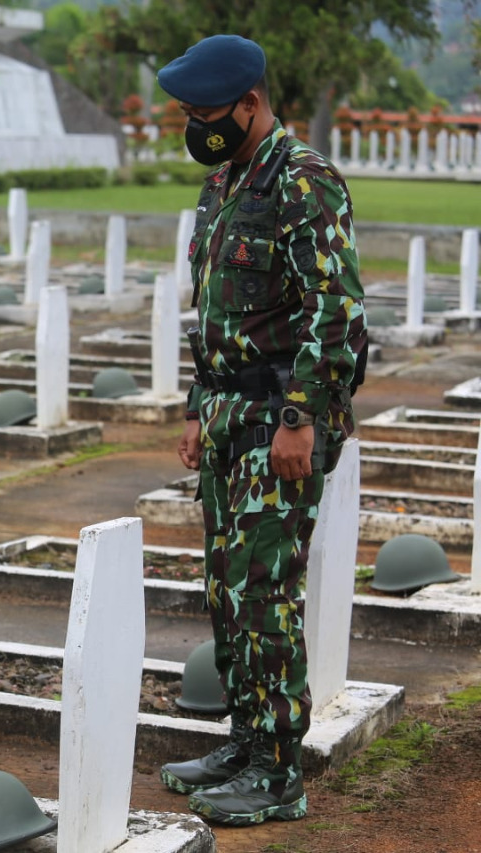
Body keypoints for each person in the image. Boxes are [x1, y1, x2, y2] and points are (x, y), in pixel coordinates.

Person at [156, 35, 366, 826]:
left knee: (265, 592)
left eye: (206, 112)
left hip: (280, 420)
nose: (195, 124)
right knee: (226, 587)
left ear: (251, 101)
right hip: (225, 415)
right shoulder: (225, 179)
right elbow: (216, 307)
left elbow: (335, 314)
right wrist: (195, 405)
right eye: (187, 113)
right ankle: (246, 739)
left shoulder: (303, 181)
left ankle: (279, 769)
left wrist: (299, 418)